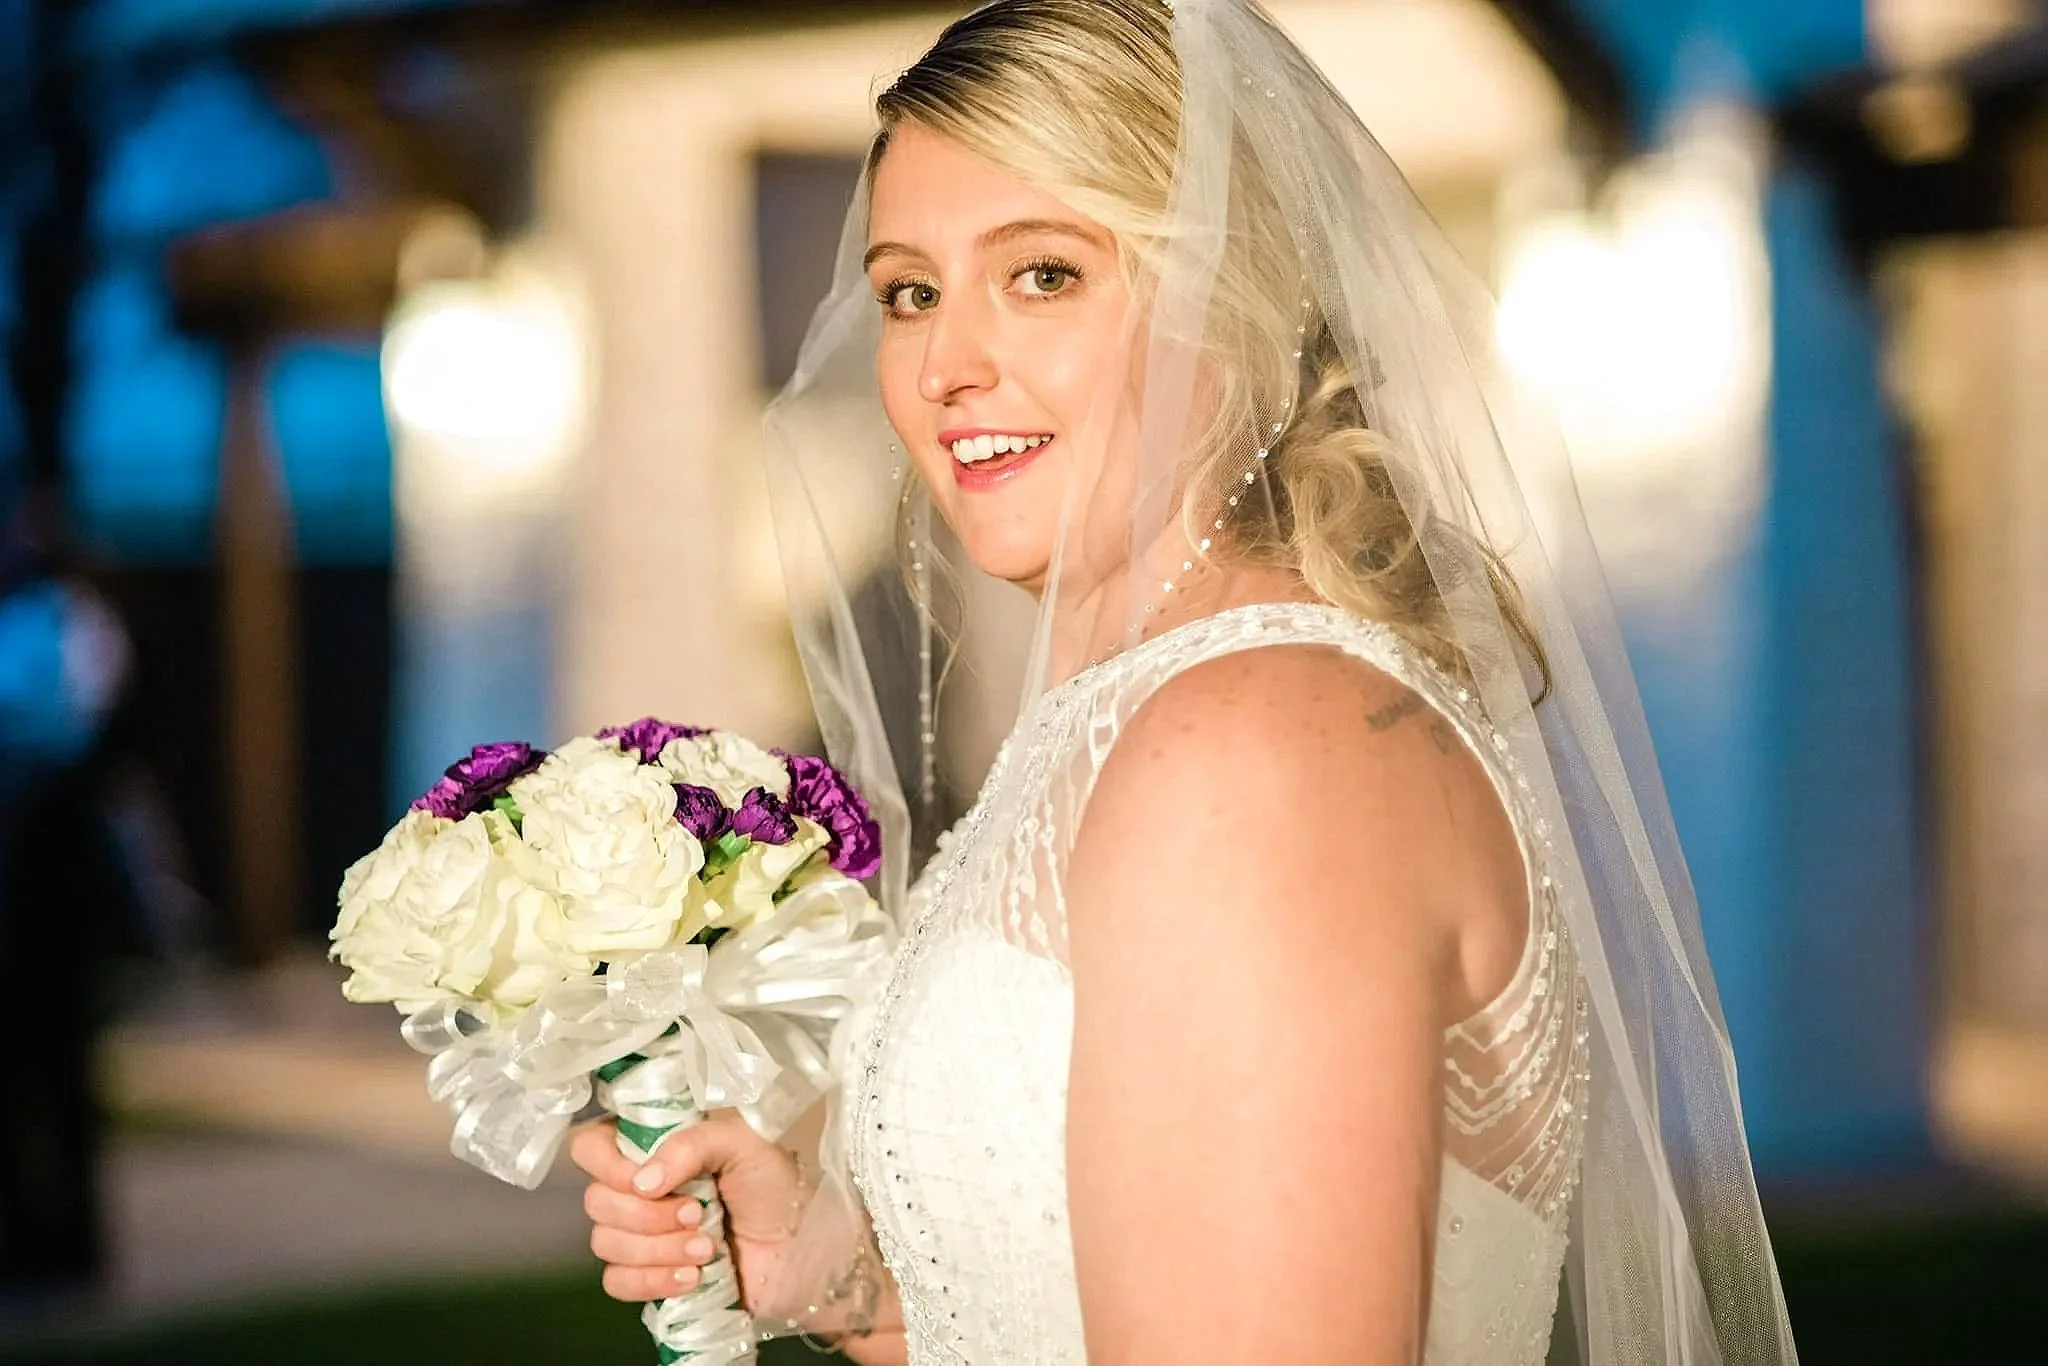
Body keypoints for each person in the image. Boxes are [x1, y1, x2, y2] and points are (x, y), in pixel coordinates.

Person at [573, 1, 1800, 1362]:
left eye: (1042, 273)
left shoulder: (1253, 748)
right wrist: (859, 1276)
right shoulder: (1173, 717)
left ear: (1239, 293)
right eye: (911, 289)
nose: (944, 364)